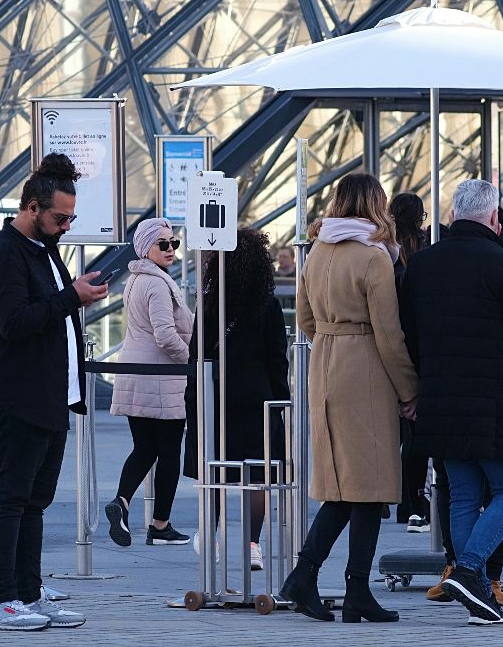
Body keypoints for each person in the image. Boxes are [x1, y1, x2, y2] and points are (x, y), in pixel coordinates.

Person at [0, 153, 107, 631]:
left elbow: (48, 312)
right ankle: (0, 600)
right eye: (59, 217)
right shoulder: (5, 253)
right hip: (12, 397)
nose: (67, 226)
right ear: (31, 207)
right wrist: (73, 296)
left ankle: (28, 593)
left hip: (48, 397)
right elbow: (13, 323)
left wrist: (72, 293)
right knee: (8, 498)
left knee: (34, 501)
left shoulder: (44, 251)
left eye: (71, 217)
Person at [401, 179, 503, 626]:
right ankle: (468, 569)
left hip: (442, 396)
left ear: (453, 215)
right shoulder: (502, 262)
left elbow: (410, 331)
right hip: (497, 398)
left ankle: (474, 590)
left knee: (461, 496)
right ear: (494, 218)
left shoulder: (423, 264)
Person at [278, 173, 418, 624]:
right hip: (366, 369)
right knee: (370, 484)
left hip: (325, 363)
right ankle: (344, 585)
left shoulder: (316, 251)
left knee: (344, 484)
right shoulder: (375, 257)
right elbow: (389, 333)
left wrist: (332, 340)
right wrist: (408, 389)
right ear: (375, 204)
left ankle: (313, 577)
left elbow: (304, 319)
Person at [184, 227, 291, 571]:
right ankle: (253, 544)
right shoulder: (269, 305)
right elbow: (278, 358)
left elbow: (196, 354)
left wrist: (194, 397)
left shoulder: (211, 302)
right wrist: (281, 400)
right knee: (257, 474)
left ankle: (209, 534)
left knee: (216, 467)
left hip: (217, 395)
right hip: (257, 397)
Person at [105, 218, 192, 548]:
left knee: (144, 448)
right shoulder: (156, 284)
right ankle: (160, 525)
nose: (171, 249)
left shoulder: (135, 280)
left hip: (135, 373)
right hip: (161, 378)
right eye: (163, 244)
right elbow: (166, 335)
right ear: (145, 248)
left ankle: (122, 503)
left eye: (174, 243)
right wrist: (192, 362)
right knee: (169, 451)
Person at [389, 192, 438, 532]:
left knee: (397, 433)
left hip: (392, 346)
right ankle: (415, 500)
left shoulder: (386, 249)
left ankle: (397, 501)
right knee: (418, 432)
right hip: (421, 347)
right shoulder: (423, 249)